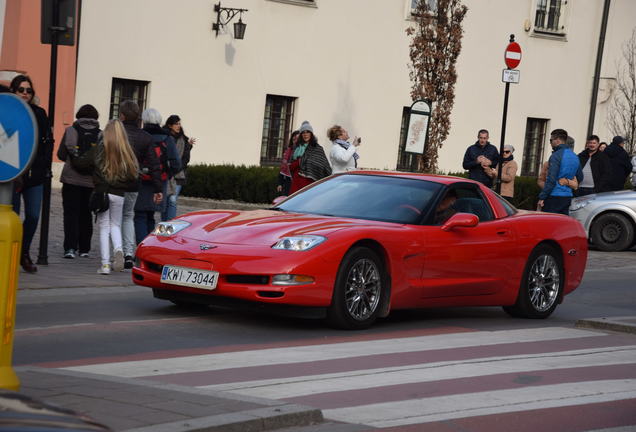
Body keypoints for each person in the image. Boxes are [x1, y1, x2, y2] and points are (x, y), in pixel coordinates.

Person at [10, 75, 53, 273]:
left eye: (29, 90)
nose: (25, 93)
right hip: (12, 174)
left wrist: (44, 166)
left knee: (34, 215)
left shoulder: (39, 113)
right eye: (21, 90)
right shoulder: (8, 111)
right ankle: (11, 252)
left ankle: (23, 252)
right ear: (14, 91)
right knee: (13, 217)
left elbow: (47, 142)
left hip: (35, 174)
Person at [93, 120, 140, 274]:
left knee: (104, 227)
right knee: (115, 225)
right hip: (119, 193)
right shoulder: (126, 148)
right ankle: (118, 250)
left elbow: (97, 166)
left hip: (104, 192)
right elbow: (133, 173)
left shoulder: (103, 145)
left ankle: (105, 265)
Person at [118, 100, 159, 269]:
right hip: (133, 181)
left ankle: (114, 251)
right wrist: (158, 187)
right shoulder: (145, 137)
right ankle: (128, 253)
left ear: (121, 115)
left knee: (111, 219)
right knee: (128, 216)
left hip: (114, 181)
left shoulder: (116, 133)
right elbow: (154, 163)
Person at [57, 104, 101, 259]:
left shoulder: (71, 130)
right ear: (96, 117)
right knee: (86, 214)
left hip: (71, 180)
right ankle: (84, 249)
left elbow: (61, 154)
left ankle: (70, 248)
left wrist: (73, 160)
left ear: (78, 115)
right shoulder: (101, 134)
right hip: (91, 182)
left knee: (70, 214)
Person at [138, 108, 180, 243]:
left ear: (144, 120)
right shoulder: (167, 138)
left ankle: (141, 246)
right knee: (152, 215)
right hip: (160, 182)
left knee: (139, 215)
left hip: (141, 181)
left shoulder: (140, 135)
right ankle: (150, 245)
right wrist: (166, 175)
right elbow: (176, 163)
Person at [537, 129, 583, 215]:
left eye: (551, 140)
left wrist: (542, 197)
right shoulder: (575, 156)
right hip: (567, 197)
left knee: (549, 223)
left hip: (553, 196)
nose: (550, 143)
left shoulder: (555, 156)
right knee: (561, 224)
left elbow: (551, 178)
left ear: (558, 140)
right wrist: (568, 182)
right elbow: (580, 177)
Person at [161, 115, 194, 221]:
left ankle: (170, 225)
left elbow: (186, 158)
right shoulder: (164, 138)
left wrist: (177, 167)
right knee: (165, 200)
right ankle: (164, 224)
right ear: (170, 125)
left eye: (179, 123)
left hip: (178, 174)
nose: (179, 126)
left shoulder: (183, 140)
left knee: (173, 200)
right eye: (176, 123)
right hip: (166, 173)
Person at [288, 121, 332, 194]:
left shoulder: (317, 148)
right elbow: (290, 166)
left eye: (308, 132)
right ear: (301, 135)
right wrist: (299, 162)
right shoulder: (296, 147)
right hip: (296, 181)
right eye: (303, 132)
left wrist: (301, 161)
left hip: (310, 182)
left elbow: (323, 165)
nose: (305, 135)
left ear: (311, 134)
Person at [277, 130, 299, 196]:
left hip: (297, 180)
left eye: (297, 139)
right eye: (293, 139)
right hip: (288, 181)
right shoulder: (288, 151)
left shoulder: (302, 151)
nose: (295, 141)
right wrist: (280, 183)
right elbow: (283, 168)